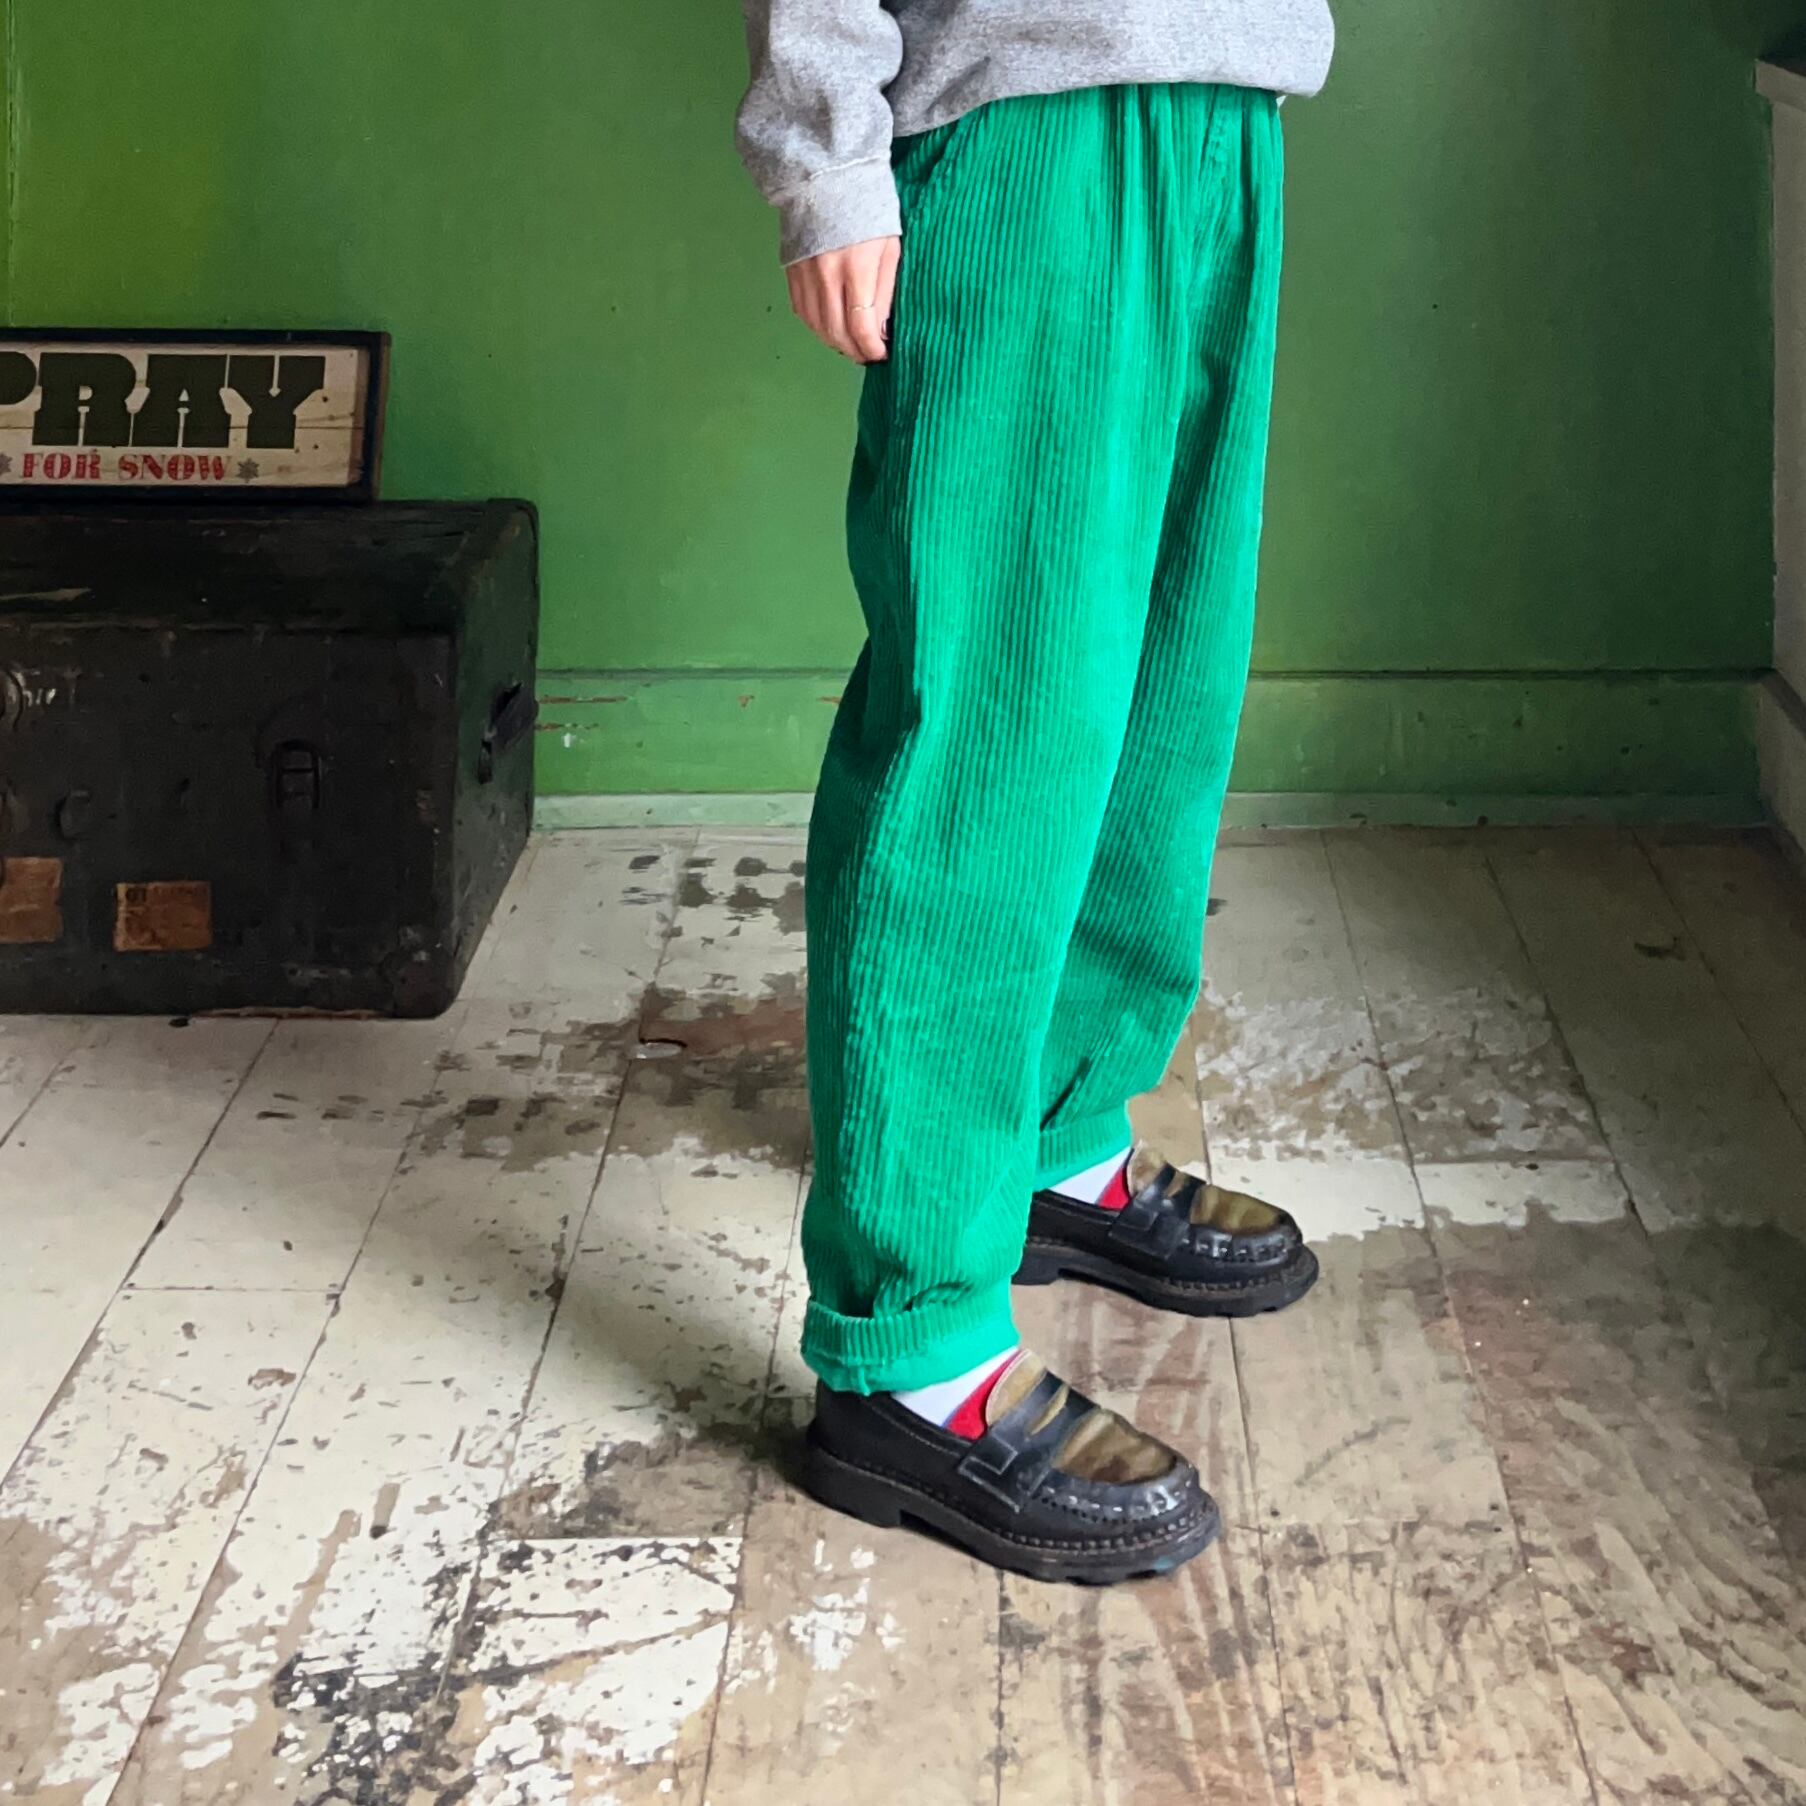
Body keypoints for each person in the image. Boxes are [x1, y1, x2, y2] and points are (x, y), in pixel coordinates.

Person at [735, 1, 1334, 1581]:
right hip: (1025, 127)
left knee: (1158, 693)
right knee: (991, 730)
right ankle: (908, 1350)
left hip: (1225, 108)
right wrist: (831, 158)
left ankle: (1056, 1143)